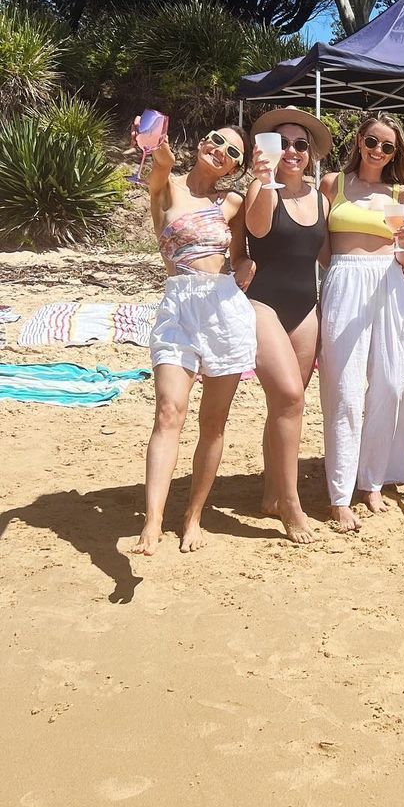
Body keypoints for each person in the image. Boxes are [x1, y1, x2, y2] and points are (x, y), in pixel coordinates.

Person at [130, 124, 256, 556]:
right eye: (216, 140)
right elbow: (161, 165)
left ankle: (194, 516)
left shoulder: (233, 202)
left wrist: (245, 264)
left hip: (223, 310)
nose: (220, 150)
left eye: (232, 151)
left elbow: (239, 253)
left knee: (213, 422)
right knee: (169, 412)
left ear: (236, 167)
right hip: (179, 308)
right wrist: (157, 145)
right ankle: (152, 521)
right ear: (203, 142)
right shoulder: (166, 188)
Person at [318, 114, 404, 529]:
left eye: (387, 147)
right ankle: (340, 494)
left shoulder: (401, 193)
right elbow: (321, 246)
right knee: (344, 391)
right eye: (372, 142)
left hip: (390, 283)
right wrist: (335, 281)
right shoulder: (332, 184)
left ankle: (372, 480)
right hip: (344, 279)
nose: (378, 151)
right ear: (359, 141)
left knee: (392, 384)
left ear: (395, 153)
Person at [244, 107, 333, 544]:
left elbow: (330, 257)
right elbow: (258, 229)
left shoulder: (321, 199)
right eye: (283, 144)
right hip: (262, 303)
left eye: (300, 144)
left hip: (305, 308)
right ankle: (291, 505)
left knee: (286, 406)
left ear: (310, 153)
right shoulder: (259, 188)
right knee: (291, 397)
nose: (292, 151)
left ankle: (271, 490)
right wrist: (263, 180)